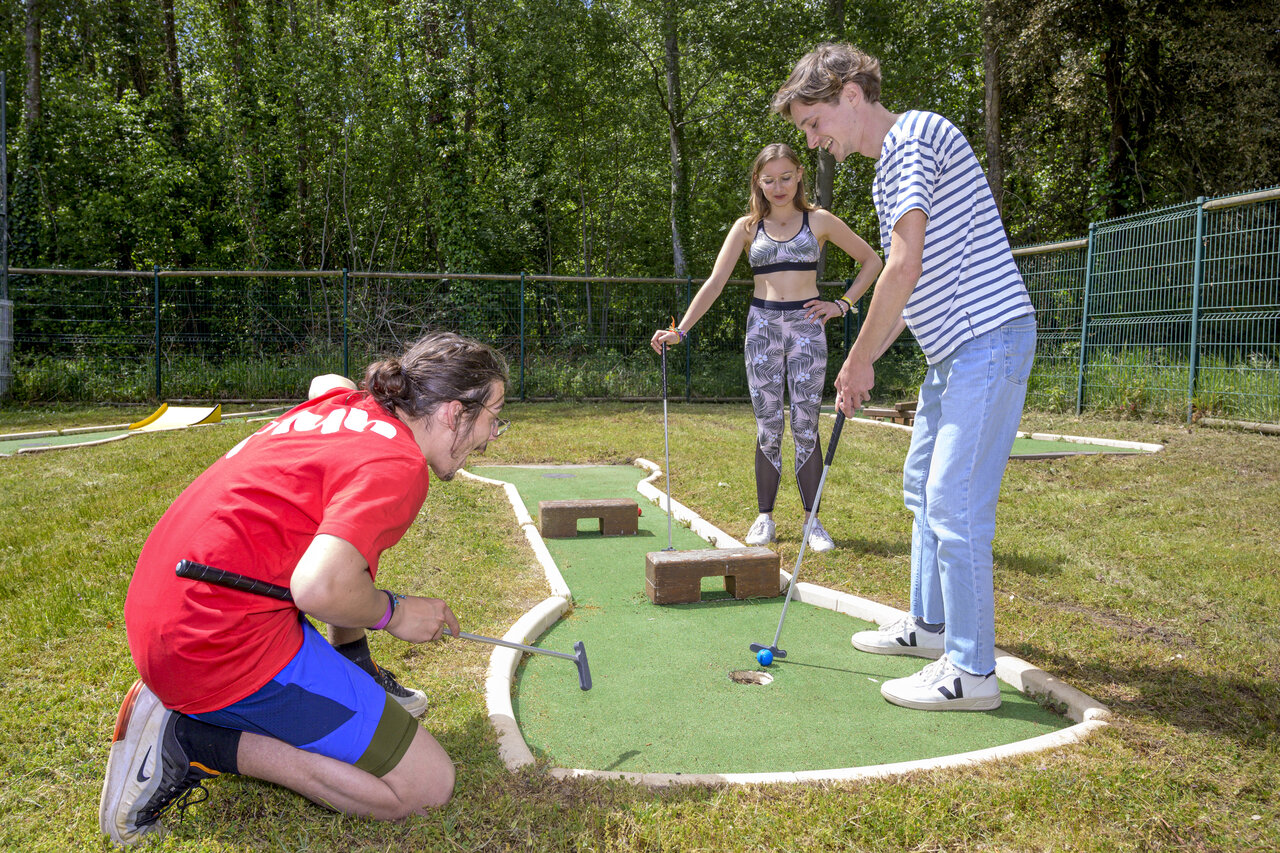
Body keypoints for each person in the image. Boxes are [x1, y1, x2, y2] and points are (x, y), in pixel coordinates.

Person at [99, 331, 511, 845]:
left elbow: (327, 381)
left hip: (166, 605)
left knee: (343, 547)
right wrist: (395, 613)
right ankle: (188, 739)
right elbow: (319, 586)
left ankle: (353, 667)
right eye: (494, 417)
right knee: (426, 785)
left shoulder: (350, 403)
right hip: (213, 643)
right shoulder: (400, 467)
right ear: (453, 412)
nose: (493, 434)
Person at [773, 44, 1037, 712]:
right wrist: (863, 362)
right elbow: (905, 291)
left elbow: (903, 264)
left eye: (813, 122)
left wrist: (858, 357)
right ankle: (930, 626)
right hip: (953, 352)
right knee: (922, 485)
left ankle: (972, 671)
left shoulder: (914, 136)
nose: (813, 140)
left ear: (851, 95)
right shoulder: (886, 173)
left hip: (988, 338)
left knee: (955, 504)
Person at [650, 142, 882, 552]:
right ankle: (765, 518)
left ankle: (813, 522)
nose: (779, 187)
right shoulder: (746, 228)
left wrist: (842, 304)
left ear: (799, 176)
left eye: (787, 178)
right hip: (762, 330)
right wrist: (681, 331)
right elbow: (715, 283)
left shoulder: (819, 220)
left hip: (808, 329)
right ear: (758, 181)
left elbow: (873, 261)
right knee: (768, 425)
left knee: (807, 425)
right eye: (769, 179)